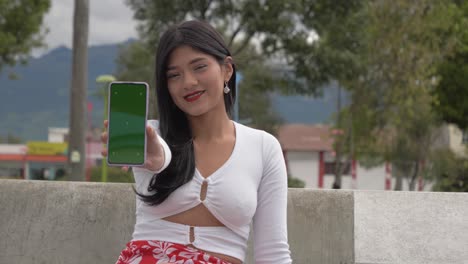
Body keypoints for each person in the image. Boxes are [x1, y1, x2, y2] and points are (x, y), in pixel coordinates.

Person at [102, 20, 292, 264]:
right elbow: (160, 155)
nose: (188, 82)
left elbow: (274, 254)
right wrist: (157, 158)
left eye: (199, 67)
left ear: (227, 69)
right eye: (174, 75)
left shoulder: (264, 147)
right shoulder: (150, 135)